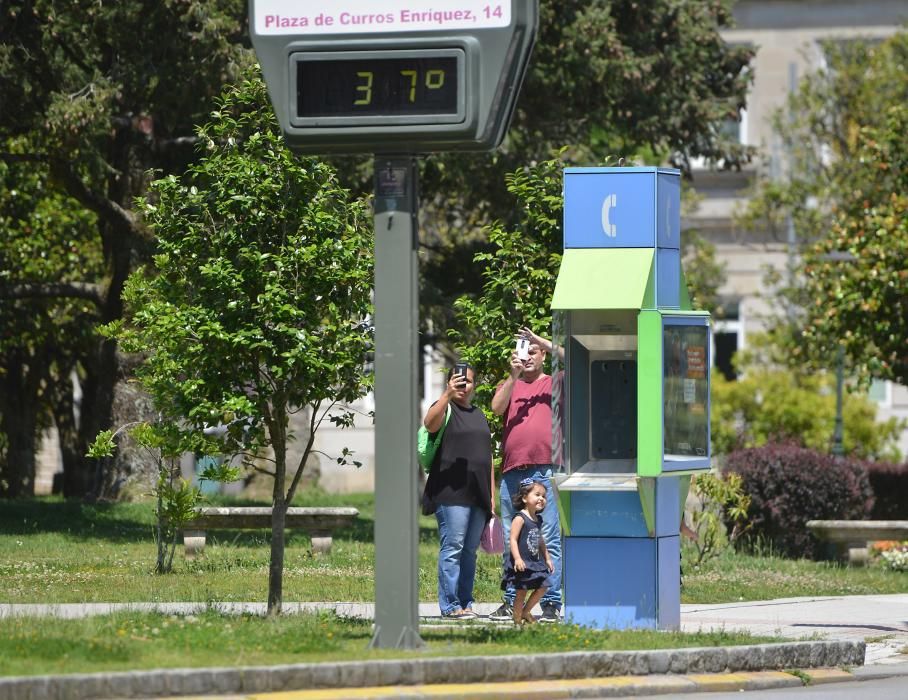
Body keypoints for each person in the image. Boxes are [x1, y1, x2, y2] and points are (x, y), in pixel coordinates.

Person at [489, 327, 563, 623]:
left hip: (544, 469)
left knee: (548, 537)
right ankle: (512, 601)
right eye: (523, 351)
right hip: (512, 473)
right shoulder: (510, 383)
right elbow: (496, 408)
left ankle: (550, 603)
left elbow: (580, 359)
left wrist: (542, 340)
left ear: (543, 354)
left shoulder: (555, 382)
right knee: (513, 537)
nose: (528, 356)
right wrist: (513, 376)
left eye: (533, 351)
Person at [421, 363, 494, 619]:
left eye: (469, 382)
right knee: (452, 547)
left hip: (478, 494)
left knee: (469, 552)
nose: (464, 386)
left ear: (475, 385)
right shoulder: (445, 408)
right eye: (458, 381)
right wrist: (446, 396)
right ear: (450, 382)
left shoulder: (480, 414)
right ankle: (450, 606)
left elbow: (487, 457)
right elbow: (429, 425)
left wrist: (491, 497)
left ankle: (465, 603)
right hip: (451, 494)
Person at [502, 477, 554, 625]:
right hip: (522, 562)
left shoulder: (537, 519)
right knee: (521, 592)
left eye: (543, 496)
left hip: (535, 561)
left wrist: (547, 557)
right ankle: (517, 620)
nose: (541, 498)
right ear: (524, 498)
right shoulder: (520, 518)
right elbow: (512, 539)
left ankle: (525, 612)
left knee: (543, 586)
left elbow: (540, 540)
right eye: (537, 495)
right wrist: (517, 559)